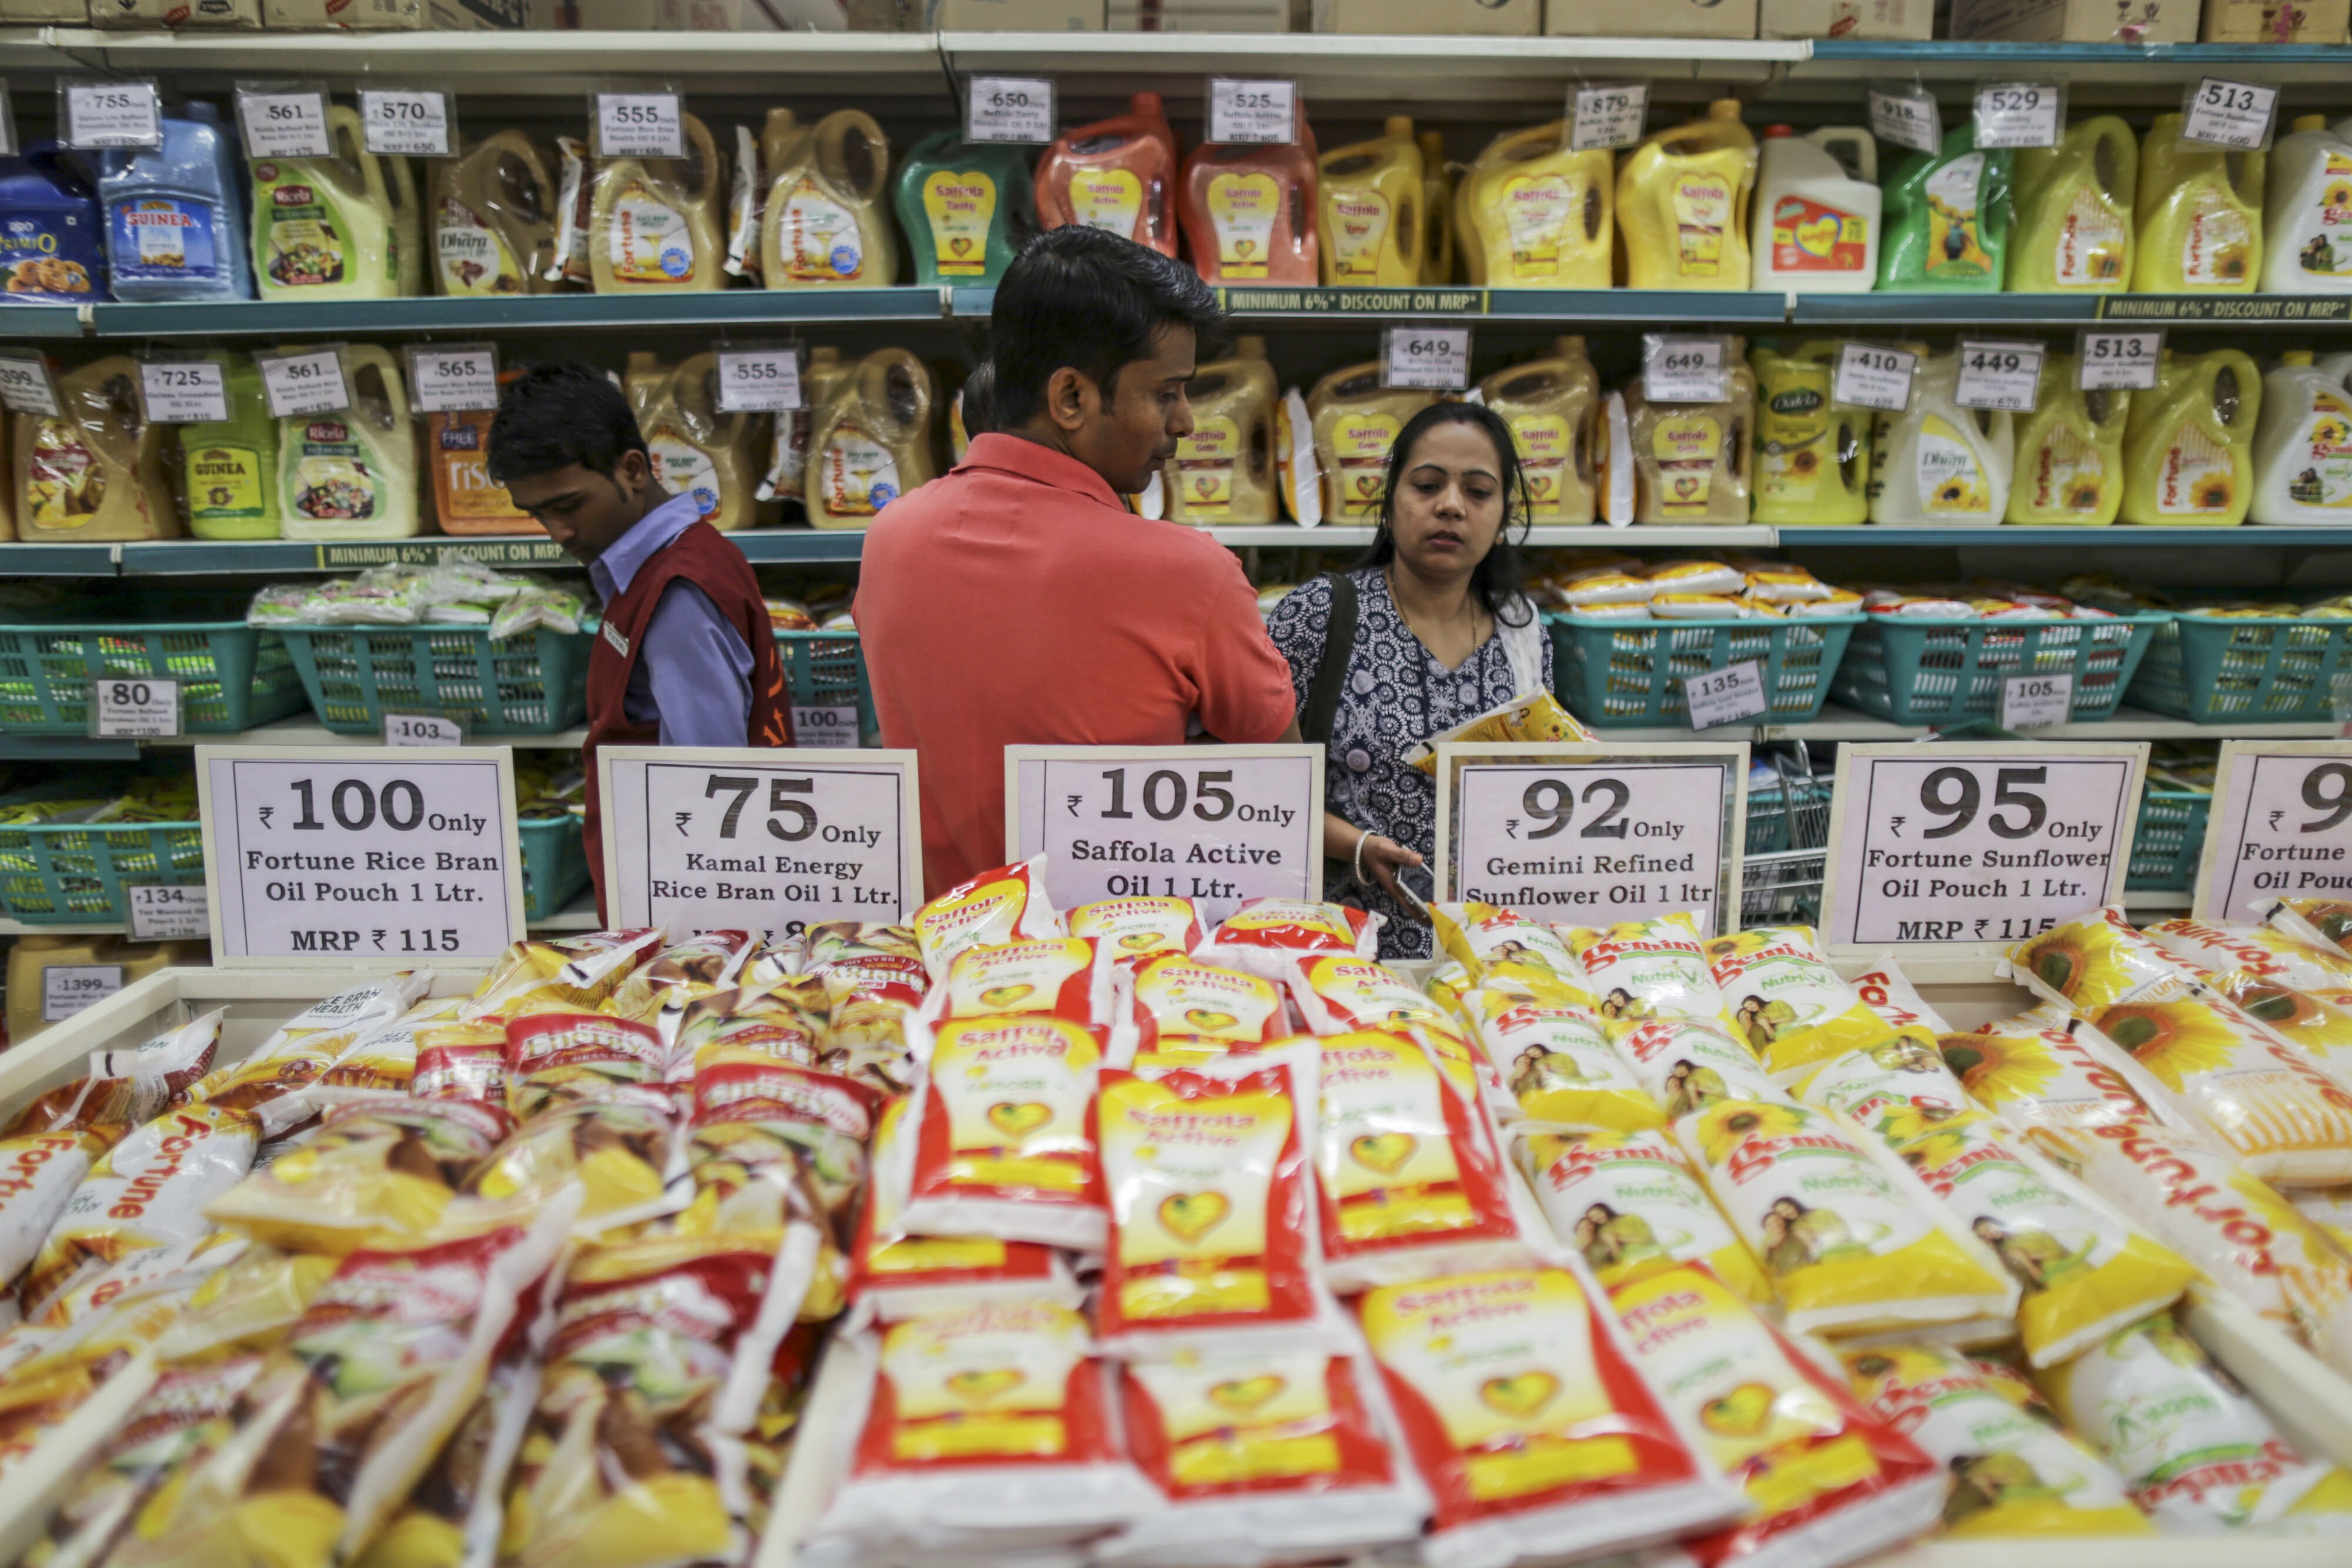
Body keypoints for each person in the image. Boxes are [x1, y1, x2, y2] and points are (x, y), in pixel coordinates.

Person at [855, 227, 1298, 897]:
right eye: (1167, 393)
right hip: (1115, 949)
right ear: (1070, 399)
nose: (1185, 422)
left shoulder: (890, 538)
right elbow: (1279, 785)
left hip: (939, 941)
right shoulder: (1187, 574)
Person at [487, 363, 790, 914]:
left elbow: (712, 789)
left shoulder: (676, 595)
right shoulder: (672, 563)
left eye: (569, 505)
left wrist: (698, 937)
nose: (558, 533)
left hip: (686, 915)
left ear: (632, 469)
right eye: (537, 514)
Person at [1265, 402, 1552, 959]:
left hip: (1484, 956)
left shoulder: (1524, 633)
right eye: (1427, 485)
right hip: (1341, 952)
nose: (1451, 505)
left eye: (1478, 491)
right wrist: (1357, 845)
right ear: (1390, 501)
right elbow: (1258, 789)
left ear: (1502, 519)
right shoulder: (1321, 614)